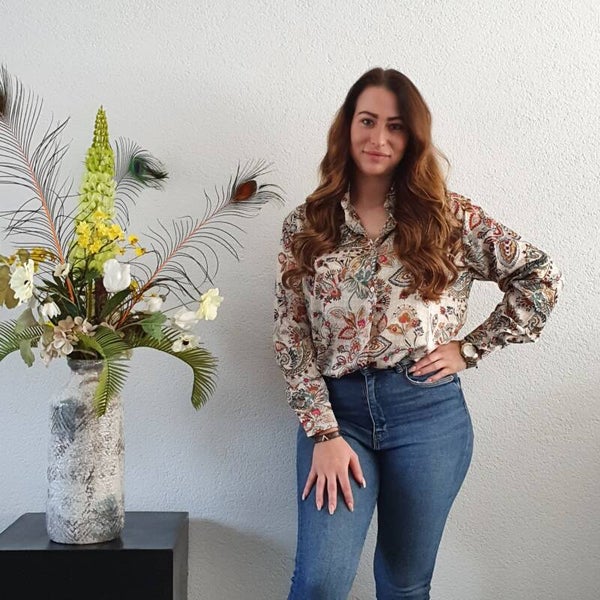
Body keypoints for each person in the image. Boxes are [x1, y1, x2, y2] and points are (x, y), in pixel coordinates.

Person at [273, 67, 562, 600]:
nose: (378, 138)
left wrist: (470, 348)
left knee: (404, 585)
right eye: (367, 121)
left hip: (427, 415)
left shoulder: (450, 218)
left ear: (413, 137)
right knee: (320, 582)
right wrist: (323, 434)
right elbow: (292, 335)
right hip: (338, 417)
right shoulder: (308, 224)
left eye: (396, 126)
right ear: (347, 126)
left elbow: (539, 276)